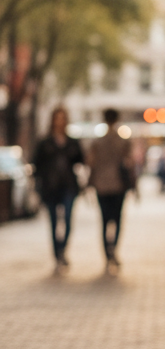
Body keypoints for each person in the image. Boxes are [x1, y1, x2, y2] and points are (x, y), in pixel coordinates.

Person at [33, 107, 84, 272]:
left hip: (69, 186)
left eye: (63, 118)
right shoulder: (45, 142)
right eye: (57, 118)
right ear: (53, 120)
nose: (60, 121)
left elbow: (81, 161)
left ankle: (62, 250)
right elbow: (37, 166)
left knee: (68, 220)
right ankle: (57, 255)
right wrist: (38, 185)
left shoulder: (72, 142)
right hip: (50, 187)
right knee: (54, 222)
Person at [87, 109, 134, 272]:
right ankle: (114, 249)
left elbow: (91, 164)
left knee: (104, 220)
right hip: (118, 185)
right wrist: (134, 186)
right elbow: (130, 165)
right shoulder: (123, 142)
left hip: (101, 185)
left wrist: (89, 184)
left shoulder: (96, 142)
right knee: (118, 219)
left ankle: (107, 254)